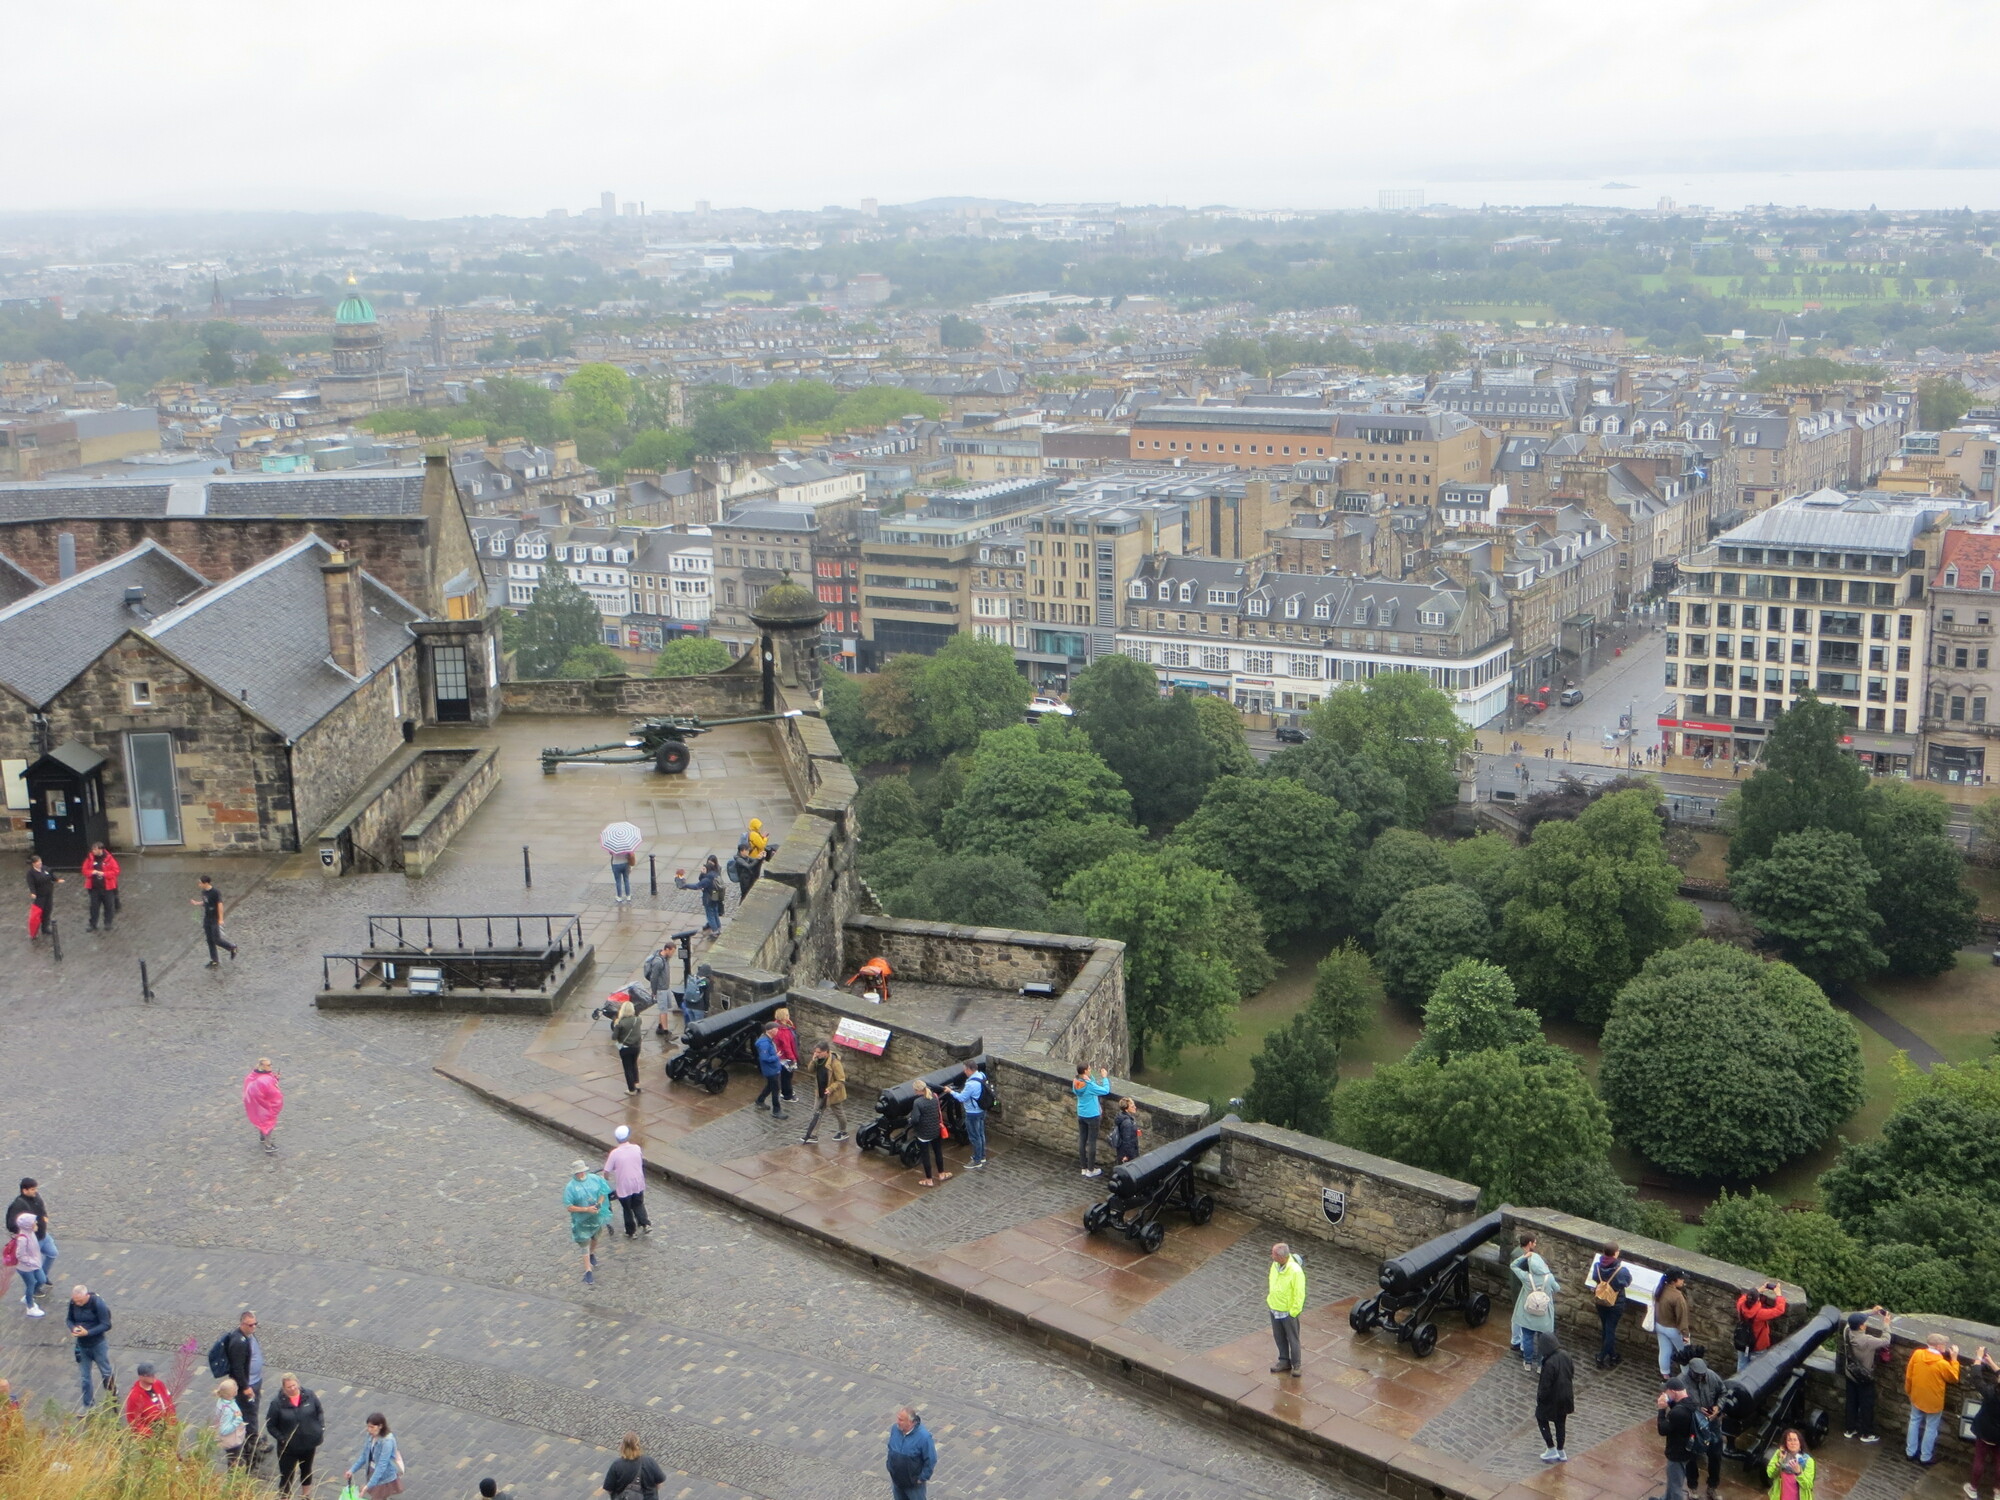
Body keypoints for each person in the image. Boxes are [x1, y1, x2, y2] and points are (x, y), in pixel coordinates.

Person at [1905, 1331, 1961, 1465]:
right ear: (1938, 1346)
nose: (1945, 1346)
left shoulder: (1918, 1354)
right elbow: (1953, 1377)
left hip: (1917, 1395)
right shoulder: (1942, 1364)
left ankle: (1910, 1452)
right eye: (1944, 1344)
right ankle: (1925, 1457)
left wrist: (1909, 1391)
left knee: (1914, 1422)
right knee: (1931, 1428)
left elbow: (1909, 1374)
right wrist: (1954, 1360)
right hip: (1933, 1400)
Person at [265, 1373, 325, 1498]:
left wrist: (320, 1427)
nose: (292, 1388)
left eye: (294, 1385)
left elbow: (319, 1411)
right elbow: (270, 1425)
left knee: (306, 1471)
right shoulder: (276, 1403)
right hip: (288, 1449)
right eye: (289, 1387)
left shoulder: (309, 1395)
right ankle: (285, 1497)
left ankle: (306, 1496)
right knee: (286, 1476)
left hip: (308, 1444)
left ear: (298, 1383)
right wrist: (282, 1439)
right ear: (283, 1388)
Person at [1841, 1307, 1892, 1443]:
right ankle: (1866, 1434)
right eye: (1865, 1322)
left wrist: (1872, 1311)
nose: (1867, 1323)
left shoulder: (1847, 1331)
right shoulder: (1867, 1340)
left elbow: (1853, 1317)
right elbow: (1886, 1340)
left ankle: (1850, 1430)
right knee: (1866, 1406)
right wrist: (1886, 1324)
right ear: (1861, 1326)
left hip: (1850, 1373)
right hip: (1864, 1378)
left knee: (1851, 1402)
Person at [1510, 1231, 1558, 1374]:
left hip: (1528, 1312)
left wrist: (1525, 1256)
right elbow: (1557, 1288)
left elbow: (1513, 1266)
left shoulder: (1526, 1277)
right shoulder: (1549, 1277)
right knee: (1543, 1340)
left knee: (1527, 1338)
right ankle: (1540, 1365)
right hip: (1543, 1314)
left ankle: (1527, 1362)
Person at [223, 1308, 265, 1458]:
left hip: (255, 1380)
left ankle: (253, 1438)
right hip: (248, 1384)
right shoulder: (238, 1342)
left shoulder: (249, 1336)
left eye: (255, 1324)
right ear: (242, 1324)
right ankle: (251, 1443)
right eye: (250, 1325)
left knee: (253, 1410)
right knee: (249, 1413)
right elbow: (237, 1368)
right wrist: (245, 1386)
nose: (253, 1327)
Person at [1685, 1356, 1727, 1500]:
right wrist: (1696, 1409)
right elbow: (1677, 1403)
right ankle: (1692, 1487)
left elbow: (1723, 1392)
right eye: (1697, 1375)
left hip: (1712, 1424)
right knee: (1691, 1457)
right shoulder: (1682, 1381)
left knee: (1716, 1455)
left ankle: (1712, 1487)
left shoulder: (1712, 1377)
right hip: (1693, 1426)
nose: (1701, 1378)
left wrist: (1718, 1407)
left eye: (1703, 1375)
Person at [1587, 1241, 1633, 1369]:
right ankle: (1601, 1356)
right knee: (1610, 1330)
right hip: (1616, 1303)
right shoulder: (1621, 1270)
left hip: (1600, 1301)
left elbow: (1595, 1278)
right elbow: (1627, 1282)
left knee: (1606, 1328)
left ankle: (1613, 1355)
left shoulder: (1597, 1266)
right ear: (1615, 1253)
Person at [67, 1283, 114, 1408]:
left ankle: (112, 1397)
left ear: (86, 1295)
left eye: (80, 1301)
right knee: (85, 1378)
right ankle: (88, 1405)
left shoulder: (98, 1304)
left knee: (106, 1372)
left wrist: (88, 1332)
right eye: (75, 1301)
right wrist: (73, 1328)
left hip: (98, 1344)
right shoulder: (73, 1303)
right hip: (82, 1346)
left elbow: (106, 1324)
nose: (78, 1304)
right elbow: (69, 1319)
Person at [6, 1177, 53, 1292]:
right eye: (32, 1189)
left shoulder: (36, 1196)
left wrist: (45, 1216)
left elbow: (41, 1208)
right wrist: (27, 1230)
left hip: (43, 1235)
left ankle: (43, 1276)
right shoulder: (18, 1205)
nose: (35, 1191)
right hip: (32, 1240)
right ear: (24, 1190)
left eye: (35, 1188)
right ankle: (37, 1285)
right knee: (36, 1265)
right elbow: (11, 1225)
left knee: (52, 1254)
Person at [1535, 1330, 1575, 1463]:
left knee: (1541, 1417)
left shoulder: (1549, 1363)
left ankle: (1551, 1448)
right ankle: (1561, 1450)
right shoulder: (1566, 1355)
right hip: (1566, 1396)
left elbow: (1545, 1386)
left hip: (1552, 1399)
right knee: (1560, 1423)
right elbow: (1571, 1373)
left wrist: (1540, 1398)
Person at [565, 1160, 608, 1284]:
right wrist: (586, 1209)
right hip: (581, 1221)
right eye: (578, 1173)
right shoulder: (571, 1187)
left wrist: (599, 1204)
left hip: (596, 1217)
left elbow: (603, 1191)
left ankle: (592, 1253)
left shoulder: (594, 1179)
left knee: (595, 1237)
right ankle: (588, 1270)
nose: (581, 1174)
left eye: (582, 1171)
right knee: (584, 1243)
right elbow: (569, 1206)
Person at [1267, 1241, 1305, 1377]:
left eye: (1273, 1254)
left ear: (1281, 1257)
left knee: (1293, 1339)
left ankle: (1296, 1365)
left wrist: (1294, 1312)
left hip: (1288, 1312)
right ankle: (1284, 1361)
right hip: (1274, 1308)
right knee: (1279, 1337)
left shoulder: (1295, 1271)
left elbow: (1299, 1293)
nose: (1271, 1256)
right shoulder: (1275, 1265)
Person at [343, 1412, 401, 1500]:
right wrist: (352, 1470)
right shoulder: (370, 1436)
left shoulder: (387, 1441)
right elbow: (364, 1455)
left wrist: (368, 1485)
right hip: (373, 1473)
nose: (369, 1430)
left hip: (384, 1478)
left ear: (380, 1426)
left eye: (372, 1427)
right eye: (368, 1426)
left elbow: (382, 1465)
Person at [605, 1126, 650, 1237]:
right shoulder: (636, 1148)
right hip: (637, 1182)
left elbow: (606, 1171)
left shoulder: (614, 1153)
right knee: (638, 1204)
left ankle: (631, 1231)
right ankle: (645, 1224)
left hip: (624, 1186)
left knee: (627, 1208)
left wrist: (606, 1179)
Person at [800, 1042, 849, 1145]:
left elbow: (841, 1080)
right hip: (820, 1092)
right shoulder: (817, 1060)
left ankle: (843, 1131)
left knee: (839, 1113)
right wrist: (813, 1060)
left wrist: (831, 1088)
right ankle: (813, 1135)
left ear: (826, 1052)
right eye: (815, 1052)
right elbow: (810, 1070)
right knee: (816, 1113)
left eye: (819, 1052)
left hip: (833, 1094)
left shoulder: (835, 1062)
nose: (817, 1054)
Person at [1734, 1282, 1788, 1373]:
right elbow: (1779, 1310)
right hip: (1758, 1345)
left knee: (1742, 1364)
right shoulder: (1760, 1314)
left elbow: (1743, 1298)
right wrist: (1779, 1295)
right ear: (1758, 1299)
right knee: (1755, 1370)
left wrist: (1758, 1291)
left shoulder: (1740, 1305)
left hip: (1743, 1341)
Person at [1969, 1346, 2000, 1500]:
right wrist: (1992, 1363)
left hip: (1985, 1431)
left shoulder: (1991, 1392)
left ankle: (1973, 1488)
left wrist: (1979, 1358)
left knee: (1979, 1459)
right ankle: (1998, 1491)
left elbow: (1977, 1378)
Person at [886, 1406, 937, 1500]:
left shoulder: (924, 1437)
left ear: (910, 1422)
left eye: (901, 1420)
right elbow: (890, 1448)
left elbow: (931, 1459)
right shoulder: (895, 1429)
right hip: (897, 1480)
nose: (897, 1422)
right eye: (898, 1418)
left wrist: (921, 1478)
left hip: (914, 1485)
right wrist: (890, 1466)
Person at [1657, 1376, 1696, 1500]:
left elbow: (1662, 1430)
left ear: (1673, 1392)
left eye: (1667, 1392)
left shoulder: (1678, 1413)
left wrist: (1661, 1410)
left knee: (1675, 1486)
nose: (1665, 1394)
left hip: (1677, 1452)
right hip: (1688, 1448)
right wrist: (1670, 1402)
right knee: (1673, 1479)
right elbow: (1678, 1408)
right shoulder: (1691, 1402)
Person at [600, 1430, 666, 1500]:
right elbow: (659, 1482)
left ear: (623, 1446)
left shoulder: (616, 1465)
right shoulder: (649, 1461)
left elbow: (609, 1489)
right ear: (638, 1445)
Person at [948, 1060, 990, 1169]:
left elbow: (961, 1098)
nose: (964, 1072)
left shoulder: (970, 1084)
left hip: (972, 1113)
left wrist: (950, 1092)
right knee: (980, 1134)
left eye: (965, 1070)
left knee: (974, 1137)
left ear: (970, 1070)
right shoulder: (981, 1075)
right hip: (982, 1110)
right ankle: (982, 1156)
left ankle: (977, 1160)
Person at [1073, 1063, 1112, 1178]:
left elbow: (1091, 1083)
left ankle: (1083, 1168)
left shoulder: (1076, 1081)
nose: (1091, 1070)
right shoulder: (1089, 1086)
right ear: (1085, 1071)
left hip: (1081, 1114)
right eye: (1089, 1069)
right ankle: (1091, 1170)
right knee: (1092, 1142)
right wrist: (1105, 1078)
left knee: (1082, 1140)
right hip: (1092, 1115)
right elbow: (1105, 1091)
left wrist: (1090, 1078)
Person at [909, 1080, 950, 1188]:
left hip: (923, 1133)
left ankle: (929, 1180)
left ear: (918, 1090)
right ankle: (941, 1174)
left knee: (925, 1156)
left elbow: (915, 1119)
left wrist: (910, 1121)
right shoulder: (934, 1097)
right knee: (938, 1152)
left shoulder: (918, 1102)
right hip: (935, 1130)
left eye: (915, 1090)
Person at [191, 874, 238, 965]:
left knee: (216, 939)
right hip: (207, 918)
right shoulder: (204, 892)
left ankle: (232, 947)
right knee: (209, 940)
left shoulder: (215, 892)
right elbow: (206, 902)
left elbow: (220, 905)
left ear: (206, 883)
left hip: (214, 918)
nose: (199, 885)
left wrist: (220, 919)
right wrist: (197, 903)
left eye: (200, 883)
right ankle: (214, 960)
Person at [1656, 1268, 1694, 1377]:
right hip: (1673, 1329)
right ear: (1673, 1281)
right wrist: (1685, 1335)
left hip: (1659, 1325)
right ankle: (1686, 1377)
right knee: (1684, 1355)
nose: (1683, 1281)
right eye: (1681, 1279)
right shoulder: (1677, 1297)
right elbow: (1682, 1318)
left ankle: (1665, 1376)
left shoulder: (1660, 1289)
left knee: (1664, 1351)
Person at [674, 858, 725, 936]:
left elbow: (697, 886)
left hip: (709, 896)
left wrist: (685, 885)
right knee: (715, 911)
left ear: (708, 869)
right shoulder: (715, 874)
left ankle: (715, 931)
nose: (703, 869)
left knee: (710, 914)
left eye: (704, 868)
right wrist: (703, 873)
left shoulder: (707, 879)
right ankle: (718, 927)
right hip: (715, 894)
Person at [124, 1360, 175, 1437]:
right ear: (141, 1377)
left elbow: (169, 1403)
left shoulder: (159, 1384)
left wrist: (172, 1424)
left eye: (153, 1374)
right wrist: (152, 1435)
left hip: (168, 1428)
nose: (153, 1377)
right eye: (149, 1375)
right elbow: (135, 1422)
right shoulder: (135, 1396)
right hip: (152, 1435)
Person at [244, 1060, 284, 1154]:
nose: (271, 1066)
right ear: (262, 1066)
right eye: (268, 1065)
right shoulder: (264, 1079)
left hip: (256, 1104)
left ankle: (262, 1136)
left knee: (261, 1120)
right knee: (269, 1124)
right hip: (266, 1104)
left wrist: (275, 1079)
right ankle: (268, 1145)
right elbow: (272, 1092)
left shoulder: (253, 1076)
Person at [1767, 1428, 1814, 1500]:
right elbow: (1770, 1474)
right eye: (1789, 1440)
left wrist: (1799, 1473)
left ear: (1800, 1443)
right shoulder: (1779, 1454)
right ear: (1785, 1443)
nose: (1792, 1443)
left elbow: (1808, 1485)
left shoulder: (1808, 1461)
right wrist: (1780, 1461)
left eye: (1795, 1440)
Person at [12, 1211, 44, 1315]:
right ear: (28, 1225)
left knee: (42, 1280)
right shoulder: (23, 1238)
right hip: (25, 1268)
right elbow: (20, 1255)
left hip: (35, 1264)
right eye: (34, 1222)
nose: (36, 1223)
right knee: (31, 1284)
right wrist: (31, 1262)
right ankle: (30, 1307)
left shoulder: (31, 1233)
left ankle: (28, 1297)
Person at [82, 842, 119, 932]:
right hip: (94, 888)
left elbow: (116, 871)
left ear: (100, 849)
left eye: (95, 849)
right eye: (92, 849)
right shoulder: (90, 858)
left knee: (109, 906)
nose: (93, 851)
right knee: (94, 907)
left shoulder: (109, 859)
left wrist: (104, 874)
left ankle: (108, 923)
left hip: (108, 888)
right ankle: (93, 924)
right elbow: (84, 870)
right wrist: (92, 872)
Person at [753, 1023, 786, 1119]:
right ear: (771, 1030)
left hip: (773, 1068)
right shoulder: (764, 1043)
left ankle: (760, 1100)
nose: (778, 1031)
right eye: (776, 1029)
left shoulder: (768, 1040)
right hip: (771, 1070)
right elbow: (764, 1058)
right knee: (776, 1089)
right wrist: (776, 1056)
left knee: (770, 1086)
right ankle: (776, 1110)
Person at [215, 1377, 250, 1466]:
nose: (237, 1388)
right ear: (232, 1393)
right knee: (235, 1462)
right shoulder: (227, 1411)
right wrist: (237, 1420)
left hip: (232, 1441)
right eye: (235, 1388)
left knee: (233, 1460)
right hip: (232, 1442)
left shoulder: (222, 1401)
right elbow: (224, 1430)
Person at [612, 999, 643, 1095]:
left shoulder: (620, 1023)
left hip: (625, 1048)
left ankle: (631, 1089)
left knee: (628, 1068)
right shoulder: (638, 1020)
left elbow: (614, 1037)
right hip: (636, 1047)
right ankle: (637, 1084)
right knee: (634, 1065)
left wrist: (615, 1024)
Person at [26, 854, 59, 939]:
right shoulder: (31, 873)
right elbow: (31, 884)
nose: (40, 863)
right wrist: (33, 892)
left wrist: (57, 879)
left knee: (47, 911)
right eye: (38, 862)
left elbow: (52, 876)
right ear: (33, 863)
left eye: (40, 861)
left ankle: (45, 928)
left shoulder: (45, 868)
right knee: (38, 914)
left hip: (48, 894)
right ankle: (34, 931)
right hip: (40, 896)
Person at [772, 1007, 799, 1103]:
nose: (789, 1016)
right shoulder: (781, 1031)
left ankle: (786, 1091)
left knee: (786, 1075)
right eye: (787, 1015)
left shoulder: (783, 1026)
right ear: (783, 1017)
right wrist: (792, 1058)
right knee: (787, 1076)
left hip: (784, 1056)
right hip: (785, 1057)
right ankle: (787, 1095)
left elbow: (792, 1034)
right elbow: (786, 1047)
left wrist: (791, 1025)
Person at [1111, 1096, 1140, 1165]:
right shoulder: (1127, 1123)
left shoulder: (1122, 1117)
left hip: (1122, 1151)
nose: (1135, 1107)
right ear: (1126, 1109)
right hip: (1129, 1154)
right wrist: (1126, 1155)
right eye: (1132, 1106)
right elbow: (1127, 1141)